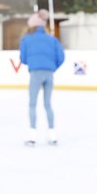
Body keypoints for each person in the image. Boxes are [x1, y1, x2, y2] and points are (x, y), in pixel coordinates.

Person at [20, 12, 65, 146]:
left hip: (35, 72)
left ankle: (32, 137)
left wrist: (33, 64)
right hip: (49, 73)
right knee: (48, 104)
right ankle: (52, 135)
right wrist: (52, 67)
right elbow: (61, 57)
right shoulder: (52, 39)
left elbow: (23, 58)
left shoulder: (26, 39)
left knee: (32, 104)